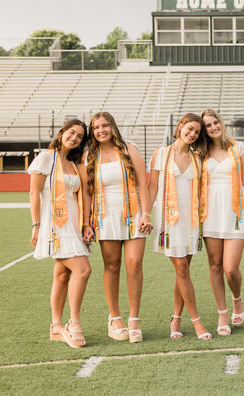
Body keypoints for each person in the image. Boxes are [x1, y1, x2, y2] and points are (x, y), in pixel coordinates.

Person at [80, 112, 152, 343]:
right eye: (96, 127)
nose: (101, 130)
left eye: (105, 125)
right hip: (104, 216)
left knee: (135, 264)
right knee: (112, 265)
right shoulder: (90, 155)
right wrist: (87, 222)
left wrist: (146, 213)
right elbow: (87, 192)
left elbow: (143, 183)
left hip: (133, 214)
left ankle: (134, 320)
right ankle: (115, 317)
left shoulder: (130, 149)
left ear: (112, 126)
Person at [146, 113, 212, 340]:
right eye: (190, 129)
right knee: (182, 269)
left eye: (196, 132)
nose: (192, 134)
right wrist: (146, 213)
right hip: (169, 222)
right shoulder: (160, 154)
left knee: (182, 272)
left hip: (190, 221)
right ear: (180, 126)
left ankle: (176, 318)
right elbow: (152, 186)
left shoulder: (198, 158)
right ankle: (197, 321)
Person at [28, 119, 92, 348]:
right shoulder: (46, 158)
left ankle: (55, 325)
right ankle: (74, 323)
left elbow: (81, 194)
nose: (74, 138)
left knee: (62, 275)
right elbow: (34, 193)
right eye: (72, 133)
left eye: (79, 137)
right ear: (62, 132)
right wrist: (36, 225)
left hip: (72, 224)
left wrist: (85, 224)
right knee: (83, 270)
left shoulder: (73, 163)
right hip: (54, 225)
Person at [200, 109, 244, 336]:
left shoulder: (239, 147)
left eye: (215, 122)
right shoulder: (200, 152)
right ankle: (222, 313)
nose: (213, 127)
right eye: (208, 125)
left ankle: (237, 298)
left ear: (221, 123)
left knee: (230, 269)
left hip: (236, 212)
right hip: (210, 213)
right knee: (215, 265)